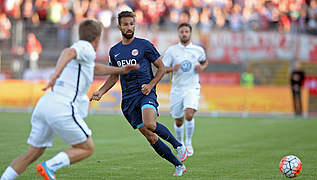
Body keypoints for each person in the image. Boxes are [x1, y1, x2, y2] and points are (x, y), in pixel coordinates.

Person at [0, 19, 139, 180]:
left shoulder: (84, 55)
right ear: (97, 39)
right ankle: (50, 166)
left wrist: (121, 70)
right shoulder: (85, 47)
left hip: (44, 105)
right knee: (86, 148)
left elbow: (93, 68)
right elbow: (68, 52)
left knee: (32, 152)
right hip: (62, 106)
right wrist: (55, 74)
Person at [90, 11, 188, 176]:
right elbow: (114, 75)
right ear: (119, 26)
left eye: (131, 24)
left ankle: (179, 146)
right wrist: (101, 91)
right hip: (128, 100)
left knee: (150, 123)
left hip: (145, 93)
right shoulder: (114, 51)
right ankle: (178, 165)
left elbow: (162, 68)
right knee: (150, 136)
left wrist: (150, 85)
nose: (129, 27)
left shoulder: (144, 45)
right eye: (126, 24)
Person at [162, 23, 208, 157]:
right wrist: (172, 69)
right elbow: (163, 69)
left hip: (192, 87)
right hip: (177, 89)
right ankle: (180, 143)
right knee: (178, 120)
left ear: (190, 33)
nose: (184, 34)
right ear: (178, 34)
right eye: (182, 32)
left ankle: (188, 142)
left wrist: (202, 68)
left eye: (186, 31)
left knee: (189, 114)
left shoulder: (198, 50)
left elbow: (204, 62)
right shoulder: (172, 51)